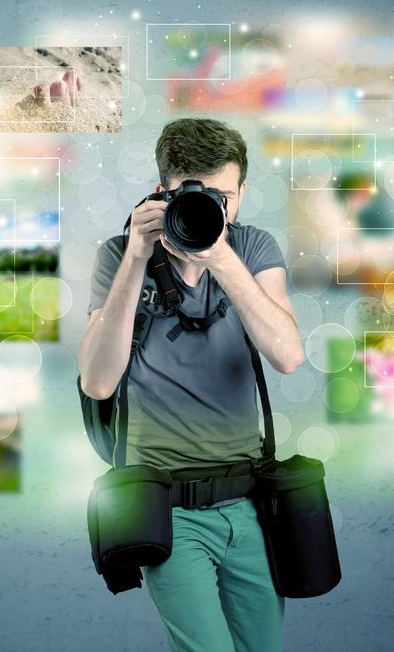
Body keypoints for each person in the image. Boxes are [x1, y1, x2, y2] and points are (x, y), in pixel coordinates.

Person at [78, 118, 305, 652]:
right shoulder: (119, 253)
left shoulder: (251, 248)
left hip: (251, 502)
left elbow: (289, 356)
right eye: (191, 195)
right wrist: (136, 257)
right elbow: (96, 382)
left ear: (241, 196)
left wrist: (219, 253)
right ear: (163, 192)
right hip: (168, 509)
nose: (209, 206)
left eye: (222, 196)